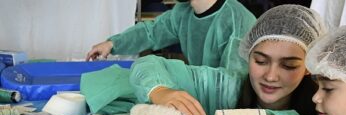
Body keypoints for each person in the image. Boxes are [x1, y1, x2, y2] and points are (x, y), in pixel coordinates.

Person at [129, 4, 327, 115]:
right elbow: (147, 65)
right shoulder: (227, 87)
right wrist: (160, 91)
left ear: (309, 66)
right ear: (247, 55)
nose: (271, 76)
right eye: (260, 61)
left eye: (288, 65)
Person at [85, 0, 256, 75]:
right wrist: (112, 43)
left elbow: (233, 83)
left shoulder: (237, 20)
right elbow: (151, 32)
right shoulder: (183, 12)